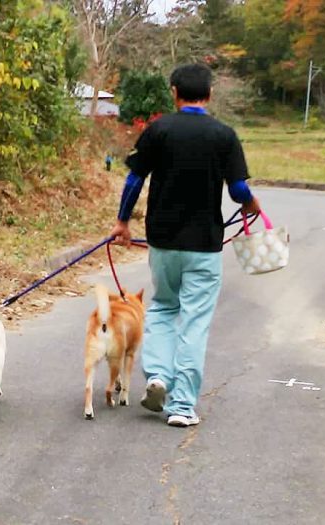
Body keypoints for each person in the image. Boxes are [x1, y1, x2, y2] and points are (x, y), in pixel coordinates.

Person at [109, 63, 260, 428]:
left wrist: (122, 222)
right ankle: (182, 407)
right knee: (194, 322)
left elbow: (134, 179)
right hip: (204, 244)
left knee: (161, 309)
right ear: (208, 95)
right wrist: (251, 204)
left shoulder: (158, 131)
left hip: (162, 240)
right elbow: (238, 189)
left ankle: (158, 376)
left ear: (174, 92)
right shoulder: (224, 135)